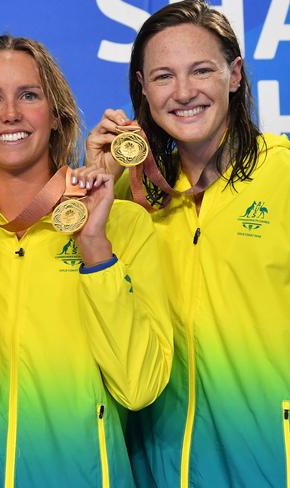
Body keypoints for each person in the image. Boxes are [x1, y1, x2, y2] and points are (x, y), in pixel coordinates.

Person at [0, 34, 173, 487]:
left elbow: (139, 385)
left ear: (56, 114)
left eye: (29, 95)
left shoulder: (123, 226)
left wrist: (94, 249)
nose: (11, 113)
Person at [84, 1, 290, 486]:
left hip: (270, 461)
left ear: (235, 75)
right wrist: (97, 179)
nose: (183, 93)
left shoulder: (283, 175)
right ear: (142, 88)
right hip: (160, 465)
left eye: (201, 70)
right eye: (162, 77)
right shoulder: (127, 197)